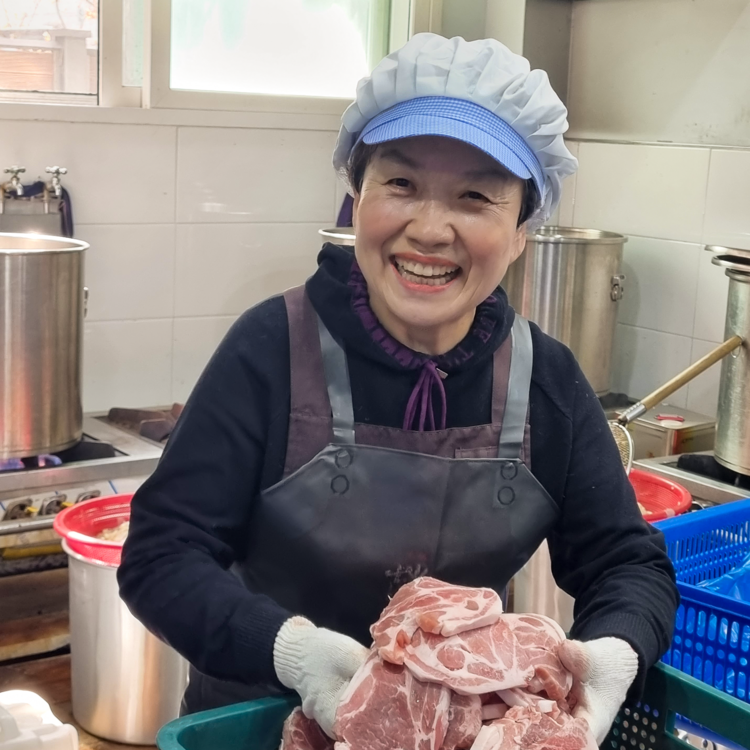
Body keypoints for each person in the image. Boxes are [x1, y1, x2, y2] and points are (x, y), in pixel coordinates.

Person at [118, 33, 678, 745]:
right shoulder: (271, 349)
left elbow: (628, 563)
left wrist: (615, 652)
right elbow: (161, 554)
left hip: (457, 729)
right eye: (401, 184)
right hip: (261, 721)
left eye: (476, 196)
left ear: (520, 233)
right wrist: (290, 652)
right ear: (356, 201)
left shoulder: (547, 380)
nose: (430, 229)